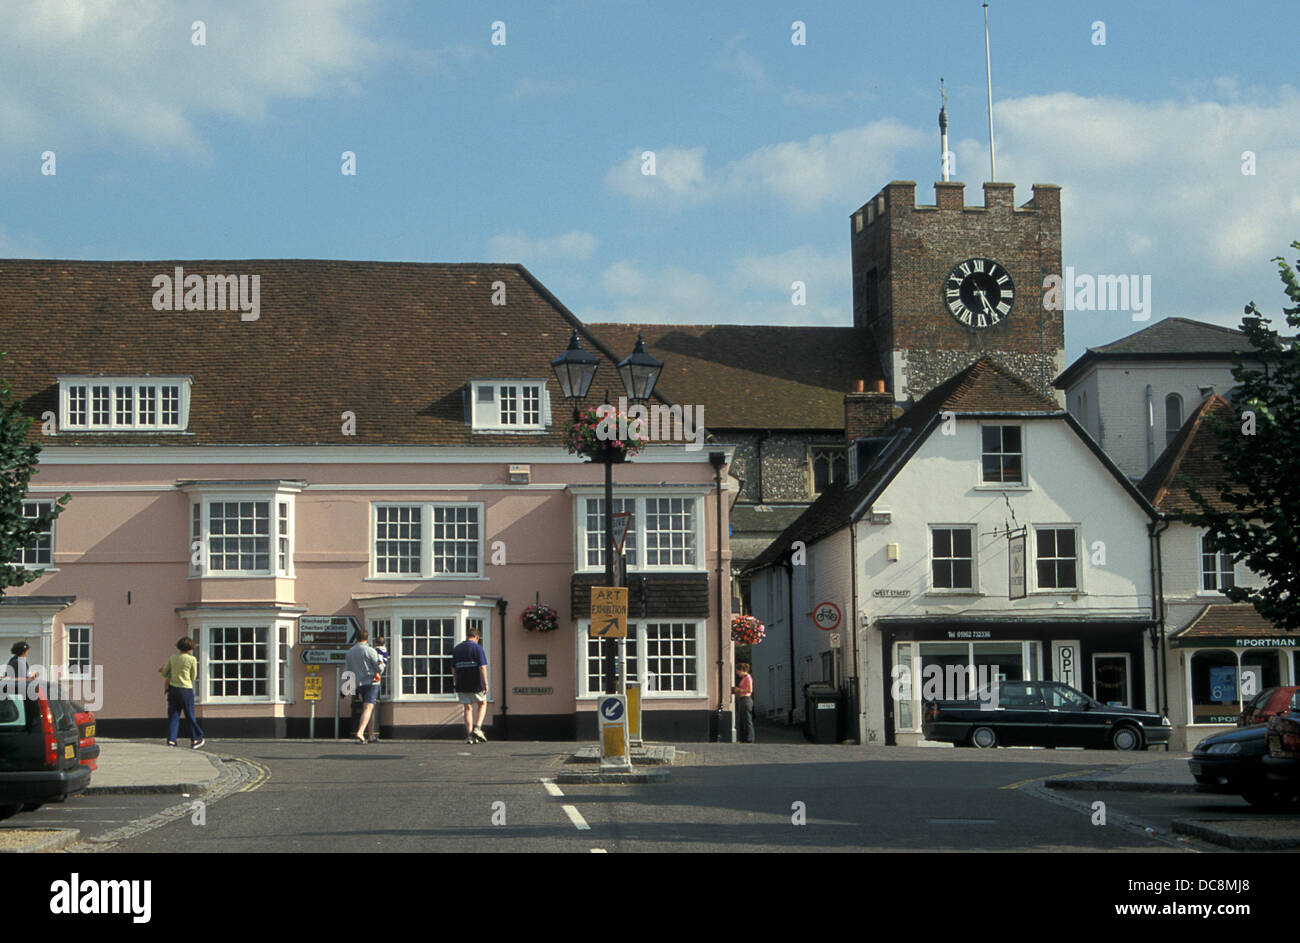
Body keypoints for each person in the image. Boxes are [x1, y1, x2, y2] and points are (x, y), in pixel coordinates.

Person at [159, 637, 206, 749]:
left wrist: (165, 673)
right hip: (186, 689)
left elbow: (165, 672)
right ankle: (195, 738)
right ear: (190, 648)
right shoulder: (192, 659)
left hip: (173, 689)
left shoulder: (173, 658)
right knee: (189, 715)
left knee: (173, 715)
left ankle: (171, 740)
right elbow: (193, 676)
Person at [450, 625, 488, 744]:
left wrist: (456, 681)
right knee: (482, 703)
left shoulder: (457, 649)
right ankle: (477, 729)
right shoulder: (477, 648)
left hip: (462, 682)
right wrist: (485, 683)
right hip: (475, 682)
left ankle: (470, 736)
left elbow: (453, 669)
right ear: (476, 637)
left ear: (467, 636)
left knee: (467, 708)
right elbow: (482, 667)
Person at [344, 627, 382, 744]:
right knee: (368, 707)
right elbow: (379, 667)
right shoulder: (370, 650)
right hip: (371, 682)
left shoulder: (350, 652)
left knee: (371, 708)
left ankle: (371, 736)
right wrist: (382, 665)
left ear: (356, 638)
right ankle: (360, 732)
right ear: (367, 638)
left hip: (358, 683)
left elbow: (348, 670)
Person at [732, 662, 755, 743]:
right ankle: (743, 738)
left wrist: (739, 690)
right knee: (742, 719)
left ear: (742, 670)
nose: (737, 673)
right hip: (742, 699)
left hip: (746, 700)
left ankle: (749, 739)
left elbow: (750, 690)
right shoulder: (744, 678)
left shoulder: (748, 678)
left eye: (738, 671)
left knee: (747, 720)